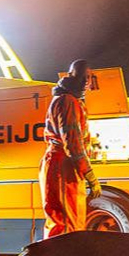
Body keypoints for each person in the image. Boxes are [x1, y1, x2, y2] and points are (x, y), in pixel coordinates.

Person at [41, 59, 99, 238]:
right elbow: (72, 143)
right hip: (63, 167)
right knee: (66, 224)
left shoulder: (69, 100)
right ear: (71, 75)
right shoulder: (68, 101)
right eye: (82, 76)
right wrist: (89, 174)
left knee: (69, 221)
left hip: (63, 165)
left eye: (88, 77)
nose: (85, 81)